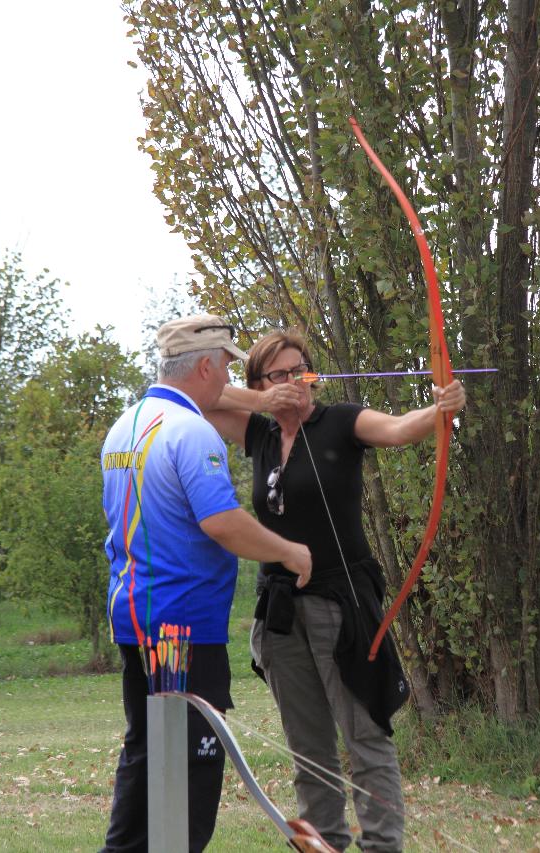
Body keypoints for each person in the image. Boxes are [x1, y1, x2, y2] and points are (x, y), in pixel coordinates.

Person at [205, 329, 466, 852]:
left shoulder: (340, 421)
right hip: (280, 610)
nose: (295, 383)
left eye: (301, 371)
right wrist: (261, 401)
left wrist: (442, 409)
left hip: (342, 605)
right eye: (279, 374)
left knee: (365, 736)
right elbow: (199, 396)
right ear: (259, 382)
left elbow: (399, 429)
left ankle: (381, 846)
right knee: (308, 748)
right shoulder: (255, 434)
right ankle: (323, 844)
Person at [98, 314, 312, 853]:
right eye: (224, 370)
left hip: (134, 616)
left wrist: (261, 404)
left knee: (146, 748)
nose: (226, 384)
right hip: (184, 624)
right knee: (194, 763)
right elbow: (222, 522)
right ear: (208, 366)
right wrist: (288, 551)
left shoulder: (126, 425)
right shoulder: (191, 432)